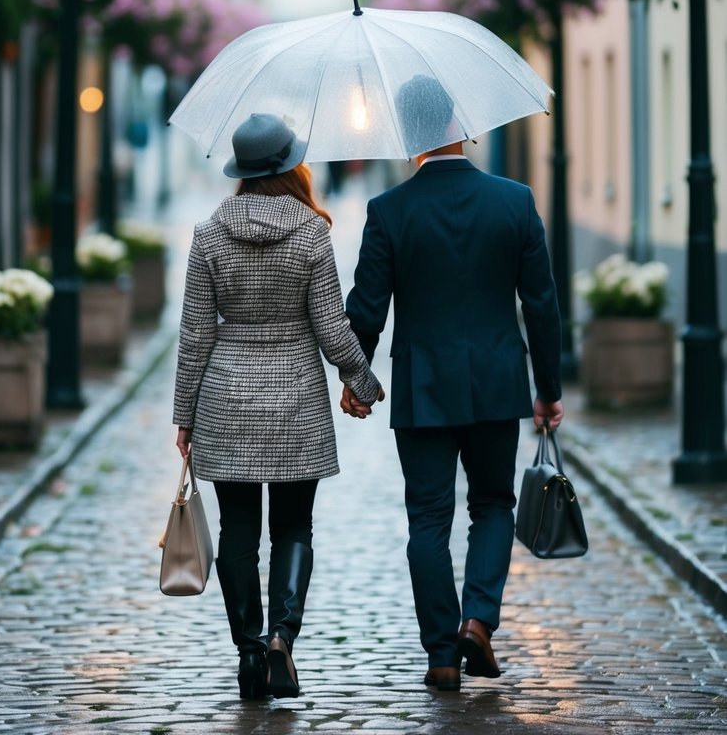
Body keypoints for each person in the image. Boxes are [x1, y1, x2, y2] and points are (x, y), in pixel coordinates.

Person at [342, 75, 563, 692]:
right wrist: (549, 388)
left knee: (427, 521)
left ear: (411, 133)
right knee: (493, 505)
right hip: (496, 382)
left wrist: (357, 380)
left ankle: (441, 652)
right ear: (456, 124)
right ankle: (479, 623)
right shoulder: (514, 201)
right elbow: (541, 305)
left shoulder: (389, 212)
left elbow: (366, 309)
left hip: (424, 388)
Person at [173, 112, 383, 701]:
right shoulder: (311, 233)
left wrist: (184, 415)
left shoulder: (210, 234)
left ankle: (248, 653)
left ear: (241, 169)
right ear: (291, 164)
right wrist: (362, 381)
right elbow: (331, 330)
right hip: (295, 397)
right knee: (294, 525)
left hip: (226, 399)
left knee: (239, 530)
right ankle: (281, 640)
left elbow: (195, 335)